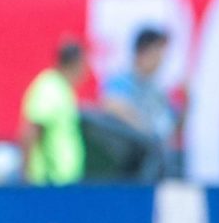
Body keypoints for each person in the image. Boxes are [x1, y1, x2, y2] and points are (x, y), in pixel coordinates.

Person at [101, 27, 181, 178]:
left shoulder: (158, 90)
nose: (161, 59)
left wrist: (187, 104)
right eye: (157, 52)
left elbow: (171, 128)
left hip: (158, 168)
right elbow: (111, 105)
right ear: (142, 53)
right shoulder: (122, 81)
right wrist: (147, 131)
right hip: (128, 170)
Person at [20, 41, 86, 185]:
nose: (85, 73)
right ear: (74, 64)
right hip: (48, 183)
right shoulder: (49, 88)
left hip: (63, 183)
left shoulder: (62, 89)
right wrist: (26, 173)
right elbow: (31, 130)